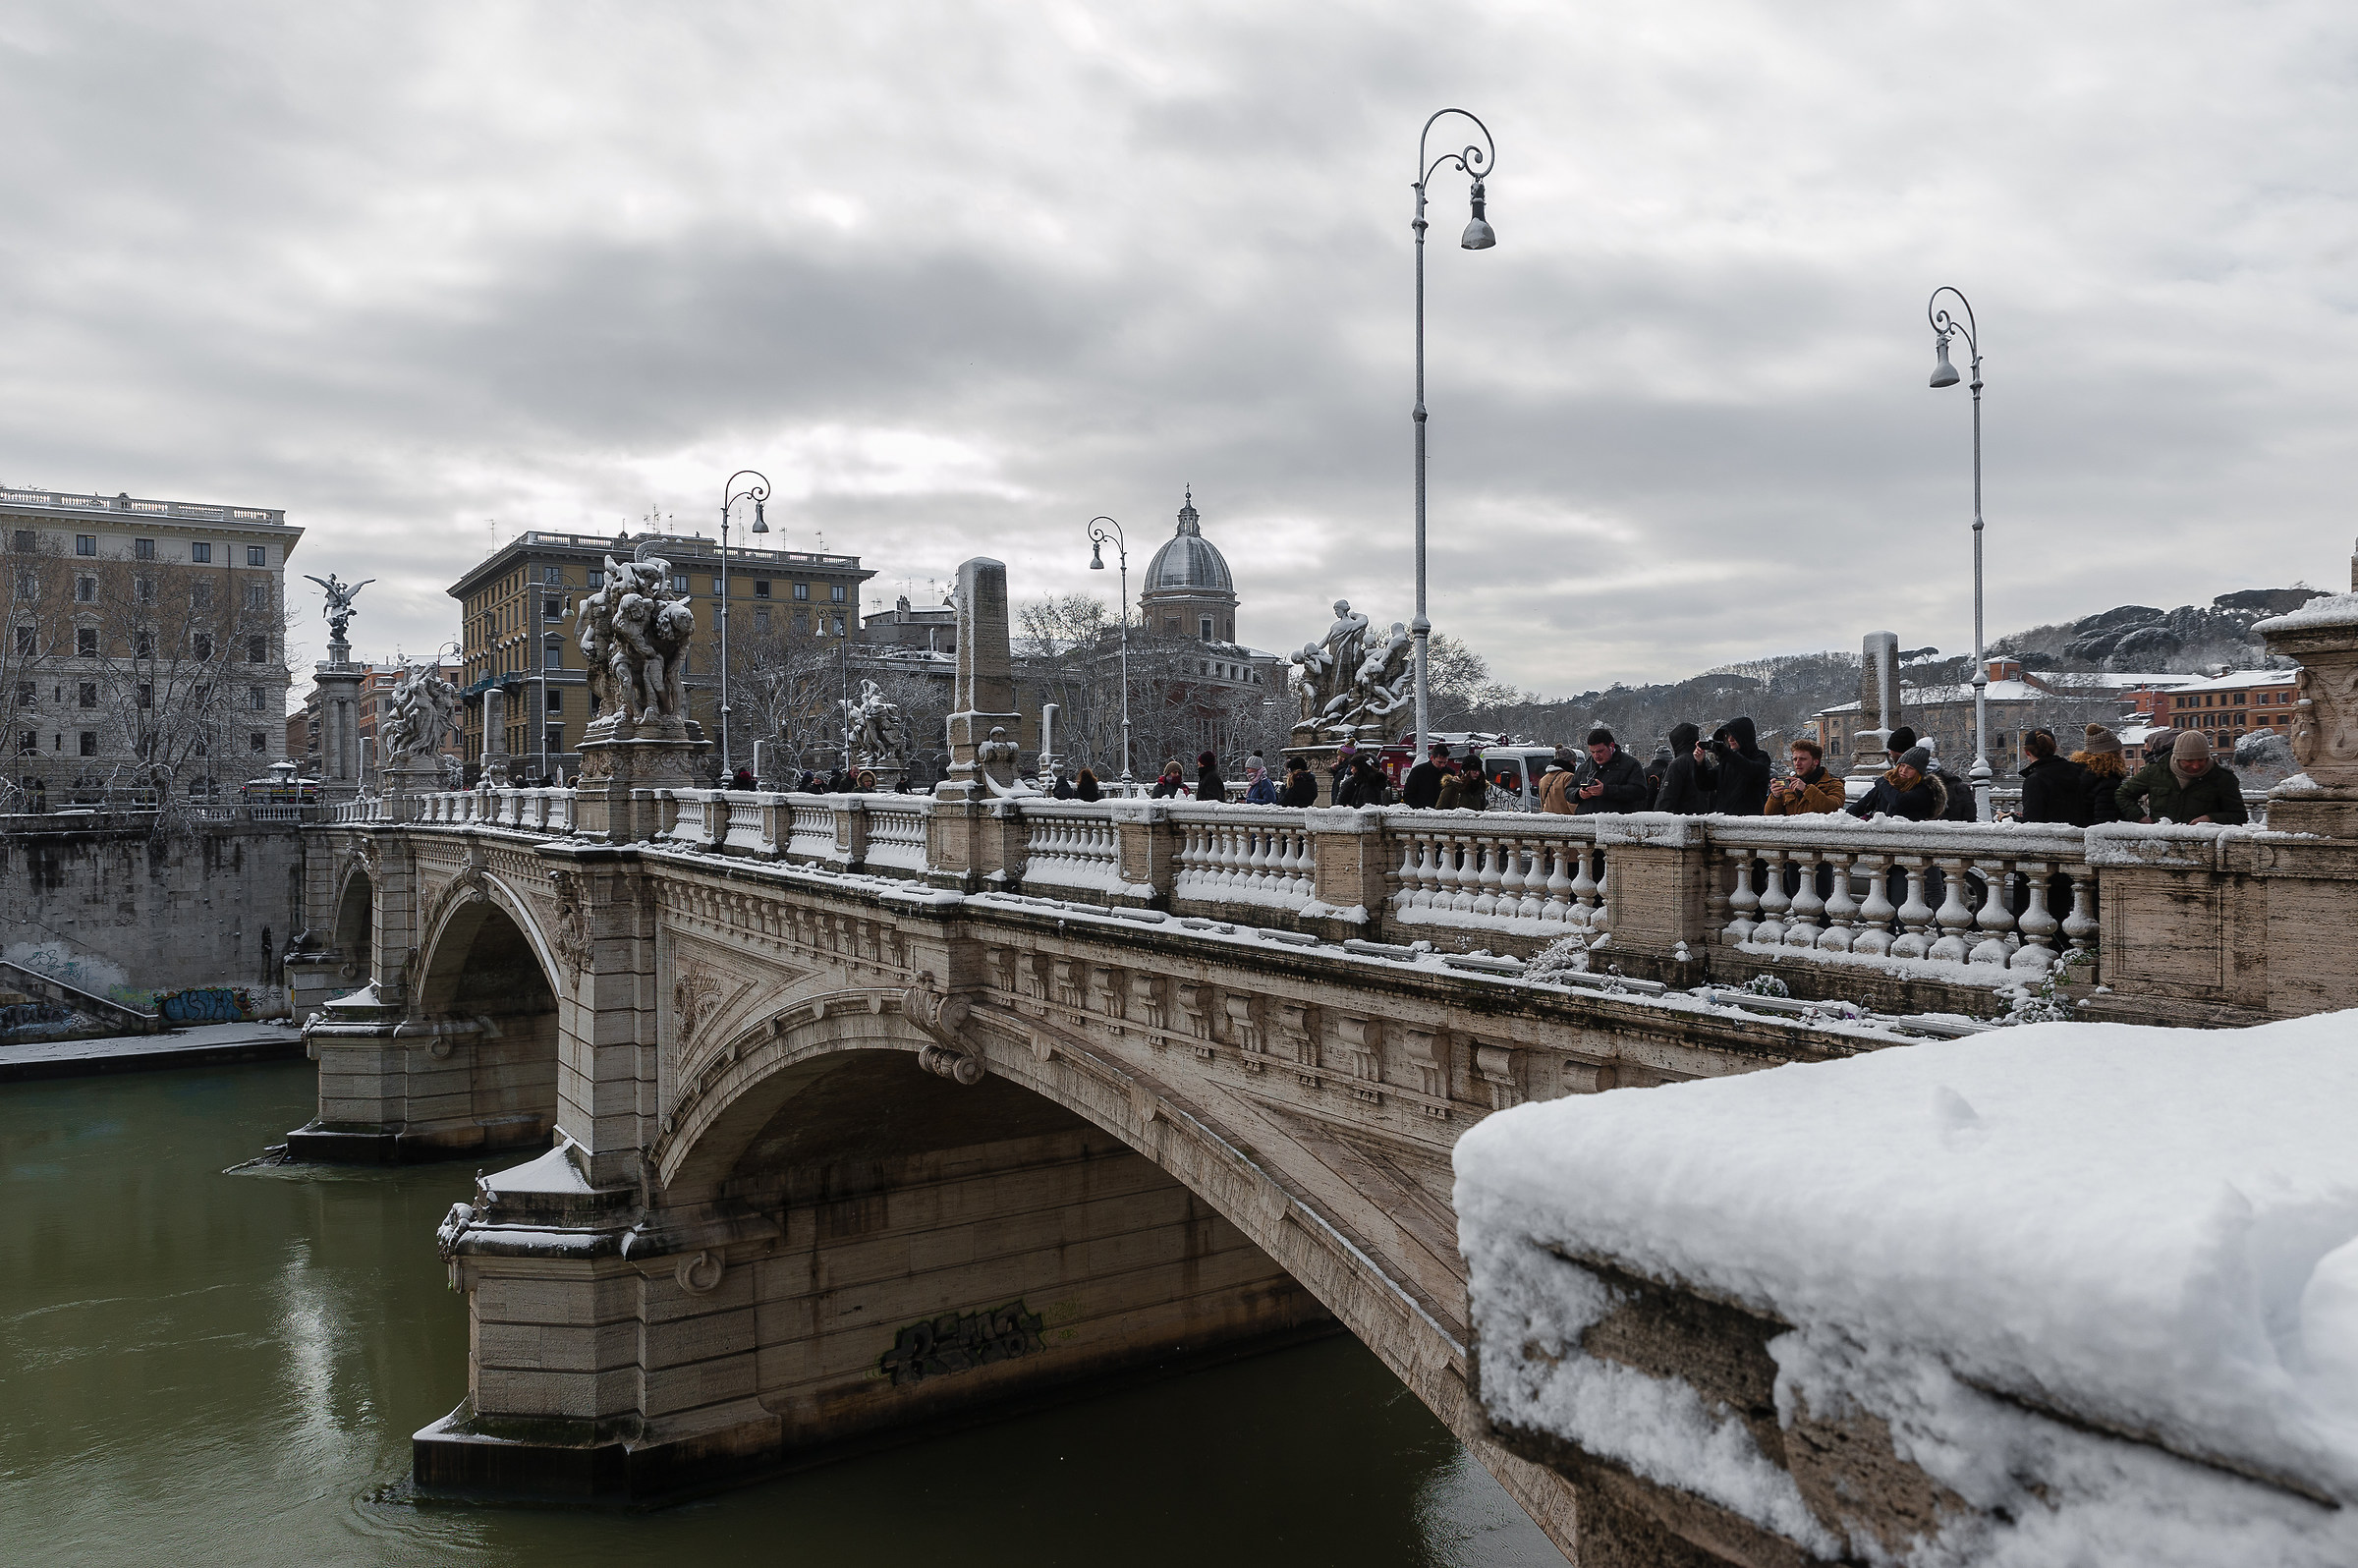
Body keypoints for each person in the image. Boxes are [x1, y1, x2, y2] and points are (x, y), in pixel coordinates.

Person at [2117, 730, 2248, 825]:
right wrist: (2140, 817)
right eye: (2189, 761)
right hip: (2160, 843)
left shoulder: (2223, 778)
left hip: (2204, 846)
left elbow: (2239, 815)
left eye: (2201, 760)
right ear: (2178, 758)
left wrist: (2210, 818)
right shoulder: (2155, 771)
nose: (2196, 766)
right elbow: (2123, 794)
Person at [1847, 745, 1943, 820]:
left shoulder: (1924, 789)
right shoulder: (1889, 783)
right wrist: (1844, 818)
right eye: (1902, 765)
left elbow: (1899, 801)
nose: (1903, 770)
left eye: (1910, 768)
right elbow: (1861, 805)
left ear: (1919, 773)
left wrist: (1882, 783)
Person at [1699, 716, 1771, 815]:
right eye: (1727, 735)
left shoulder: (1760, 757)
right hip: (1725, 823)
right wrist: (1699, 763)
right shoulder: (1726, 762)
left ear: (1745, 736)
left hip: (1750, 823)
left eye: (1735, 735)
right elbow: (1704, 784)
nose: (1730, 739)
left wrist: (1726, 753)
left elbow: (1753, 771)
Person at [2014, 729, 2086, 825]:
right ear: (2055, 749)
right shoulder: (2078, 770)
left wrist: (2008, 818)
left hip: (2055, 837)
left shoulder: (2035, 780)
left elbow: (2031, 823)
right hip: (2081, 834)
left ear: (2027, 752)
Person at [1572, 727, 1650, 814]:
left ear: (1611, 746)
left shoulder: (1631, 765)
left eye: (1600, 751)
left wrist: (1606, 790)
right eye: (1592, 752)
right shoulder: (1584, 767)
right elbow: (1568, 791)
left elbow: (1640, 792)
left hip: (1616, 822)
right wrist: (1579, 793)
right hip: (1586, 822)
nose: (1596, 756)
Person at [1764, 737, 1844, 815]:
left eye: (1802, 759)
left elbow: (1835, 809)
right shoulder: (1789, 784)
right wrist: (1776, 797)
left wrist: (1806, 789)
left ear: (1816, 762)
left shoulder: (1833, 783)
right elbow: (1770, 817)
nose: (1797, 763)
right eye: (1795, 759)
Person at [2071, 726, 2127, 825]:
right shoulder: (2108, 781)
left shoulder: (2076, 772)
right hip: (2095, 835)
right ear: (2113, 755)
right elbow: (2105, 821)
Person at [1654, 723, 1711, 814]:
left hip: (1681, 821)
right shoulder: (1705, 762)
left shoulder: (1678, 764)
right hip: (1704, 818)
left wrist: (1656, 820)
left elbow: (1666, 797)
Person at [1402, 742, 1449, 810]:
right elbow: (1408, 794)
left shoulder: (1449, 773)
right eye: (1439, 762)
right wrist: (1419, 810)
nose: (1443, 765)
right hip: (1422, 814)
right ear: (1432, 758)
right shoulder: (1418, 771)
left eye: (1445, 762)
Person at [1536, 746, 1579, 815]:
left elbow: (1542, 803)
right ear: (1566, 762)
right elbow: (1572, 804)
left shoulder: (1543, 779)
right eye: (1573, 761)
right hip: (1566, 821)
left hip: (1549, 821)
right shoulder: (1568, 777)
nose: (1575, 764)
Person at [1644, 744, 1673, 810]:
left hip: (1642, 811)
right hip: (1660, 811)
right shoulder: (1667, 773)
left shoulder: (1644, 771)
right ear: (1669, 761)